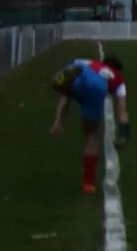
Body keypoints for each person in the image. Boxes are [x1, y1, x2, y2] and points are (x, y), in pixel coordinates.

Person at [50, 55, 129, 194]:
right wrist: (124, 135)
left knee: (68, 90)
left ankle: (66, 76)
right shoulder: (119, 80)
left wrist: (58, 121)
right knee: (91, 135)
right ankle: (88, 184)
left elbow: (65, 99)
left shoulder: (92, 63)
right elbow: (122, 111)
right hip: (97, 90)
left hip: (83, 74)